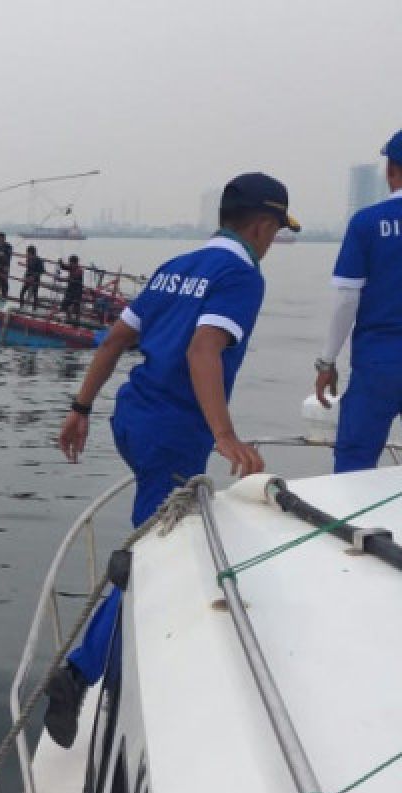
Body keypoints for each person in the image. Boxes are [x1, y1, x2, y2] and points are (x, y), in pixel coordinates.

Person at [45, 172, 300, 749]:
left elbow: (112, 341)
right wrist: (225, 434)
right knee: (150, 554)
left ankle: (115, 655)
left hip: (129, 418)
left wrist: (80, 407)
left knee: (156, 531)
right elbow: (202, 349)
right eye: (275, 233)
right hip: (172, 432)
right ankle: (80, 671)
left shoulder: (175, 266)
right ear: (261, 226)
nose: (271, 245)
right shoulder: (241, 275)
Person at [315, 129, 402, 473]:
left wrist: (326, 362)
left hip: (378, 363)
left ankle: (351, 525)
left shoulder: (367, 222)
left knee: (354, 462)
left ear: (391, 170)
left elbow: (345, 299)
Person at [60, 254, 85, 326]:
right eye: (69, 263)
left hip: (77, 291)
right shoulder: (71, 267)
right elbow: (64, 267)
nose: (70, 264)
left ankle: (76, 324)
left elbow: (72, 278)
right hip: (70, 290)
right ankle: (69, 318)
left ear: (75, 263)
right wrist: (61, 263)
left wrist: (62, 279)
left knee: (76, 308)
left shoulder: (79, 270)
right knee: (64, 306)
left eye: (71, 263)